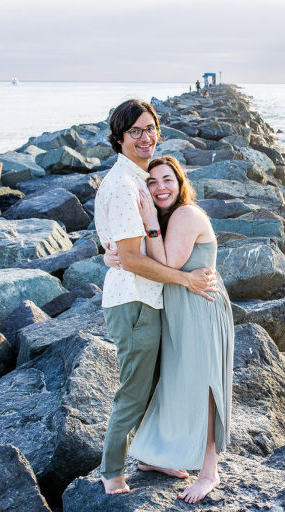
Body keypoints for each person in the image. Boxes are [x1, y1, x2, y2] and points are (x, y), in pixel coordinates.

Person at [94, 99, 217, 495]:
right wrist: (185, 281)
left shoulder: (140, 180)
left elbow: (131, 248)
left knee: (155, 385)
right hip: (134, 302)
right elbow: (131, 258)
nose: (145, 138)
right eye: (135, 132)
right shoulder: (124, 185)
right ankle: (112, 473)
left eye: (150, 129)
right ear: (119, 138)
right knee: (134, 390)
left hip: (148, 300)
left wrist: (116, 251)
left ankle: (152, 457)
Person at [104, 156, 234, 504]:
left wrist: (148, 221)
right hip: (178, 309)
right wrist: (112, 256)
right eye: (152, 182)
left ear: (180, 184)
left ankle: (209, 473)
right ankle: (157, 458)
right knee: (174, 384)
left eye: (168, 180)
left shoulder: (185, 214)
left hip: (199, 308)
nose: (160, 187)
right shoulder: (167, 219)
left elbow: (168, 264)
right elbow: (134, 255)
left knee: (203, 385)